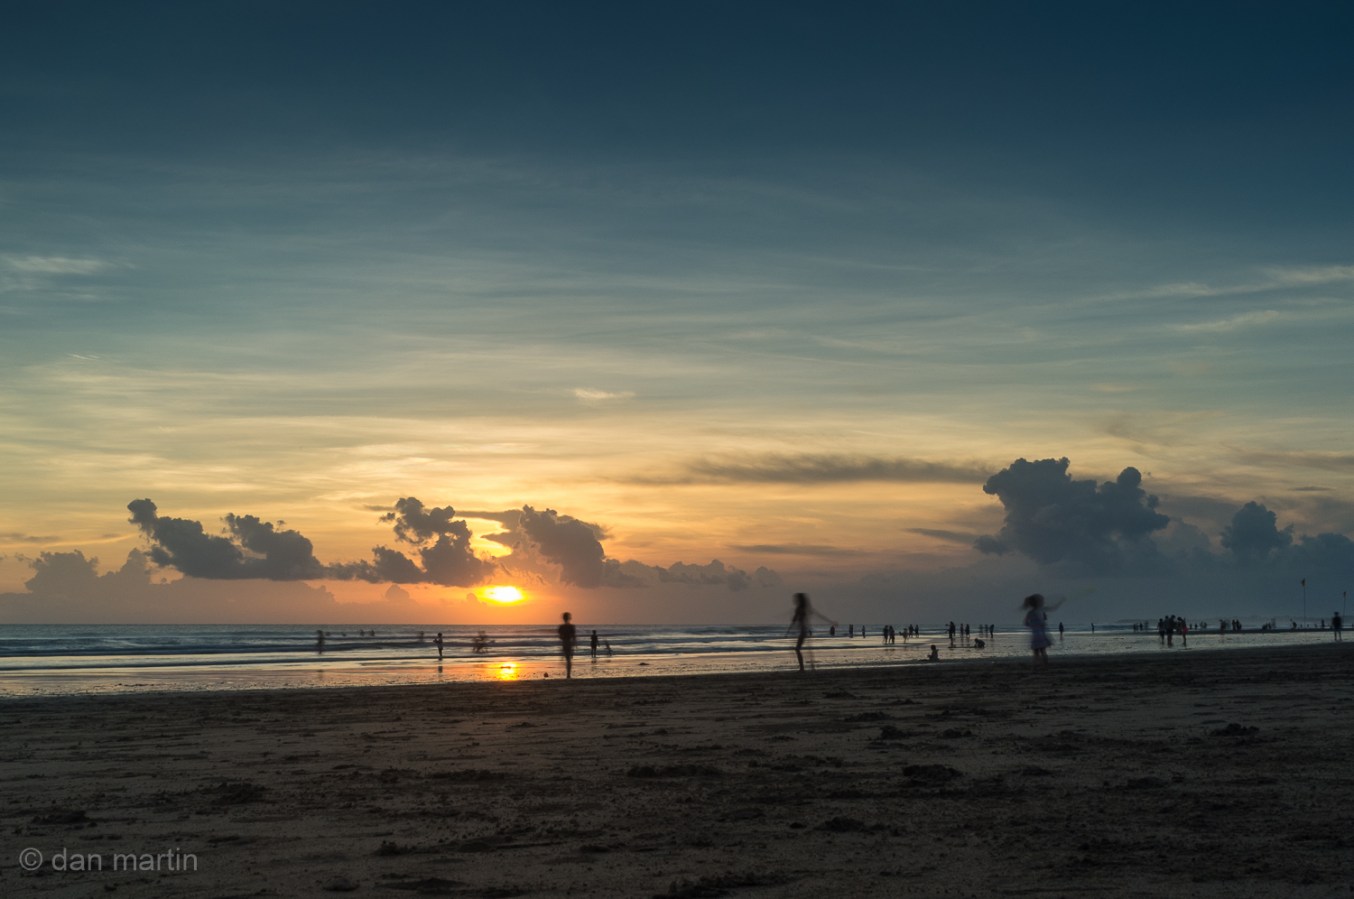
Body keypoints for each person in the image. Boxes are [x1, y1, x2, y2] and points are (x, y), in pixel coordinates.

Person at [787, 592, 836, 672]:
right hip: (805, 630)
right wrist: (830, 622)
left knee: (797, 649)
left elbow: (794, 620)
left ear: (799, 600)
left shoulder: (799, 608)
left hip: (803, 630)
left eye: (796, 598)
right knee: (803, 649)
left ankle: (802, 668)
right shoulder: (805, 608)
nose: (795, 600)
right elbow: (819, 616)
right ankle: (809, 667)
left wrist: (788, 631)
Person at [1022, 593, 1063, 667]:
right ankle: (1045, 665)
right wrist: (1060, 602)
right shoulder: (1041, 611)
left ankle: (1036, 665)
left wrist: (1033, 625)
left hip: (1035, 635)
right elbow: (1047, 615)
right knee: (1043, 651)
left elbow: (1026, 623)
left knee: (1036, 653)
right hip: (1042, 635)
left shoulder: (1030, 613)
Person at [558, 612, 578, 678]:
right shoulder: (571, 627)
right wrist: (575, 644)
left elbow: (560, 637)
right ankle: (568, 674)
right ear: (569, 618)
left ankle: (568, 674)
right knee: (569, 659)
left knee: (567, 659)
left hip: (565, 642)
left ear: (563, 618)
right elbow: (574, 637)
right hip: (569, 642)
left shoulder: (561, 627)